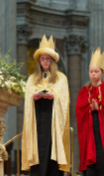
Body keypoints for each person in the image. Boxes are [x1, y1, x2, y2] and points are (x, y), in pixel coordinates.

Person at [21, 35, 70, 176]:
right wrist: (33, 97)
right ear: (39, 61)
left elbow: (65, 99)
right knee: (38, 149)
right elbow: (27, 99)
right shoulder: (32, 79)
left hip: (52, 119)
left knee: (51, 151)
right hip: (38, 118)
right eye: (43, 59)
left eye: (48, 59)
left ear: (52, 60)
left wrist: (55, 96)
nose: (45, 61)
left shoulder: (61, 78)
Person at [76, 48, 104, 176]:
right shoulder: (84, 91)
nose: (93, 74)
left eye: (96, 71)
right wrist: (90, 109)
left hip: (103, 134)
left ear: (103, 72)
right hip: (89, 132)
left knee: (102, 160)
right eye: (91, 72)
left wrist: (100, 108)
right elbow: (79, 111)